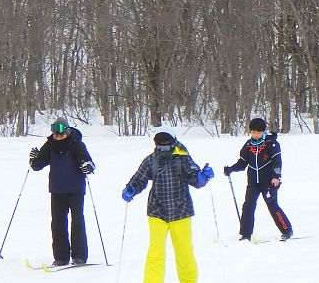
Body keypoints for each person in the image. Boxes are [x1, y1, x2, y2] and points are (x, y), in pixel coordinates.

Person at [122, 126, 213, 283]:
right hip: (157, 211)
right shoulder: (151, 160)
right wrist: (131, 189)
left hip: (181, 211)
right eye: (159, 145)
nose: (162, 148)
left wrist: (203, 177)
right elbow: (139, 179)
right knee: (155, 253)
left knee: (184, 251)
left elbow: (195, 179)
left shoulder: (183, 158)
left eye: (166, 144)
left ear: (173, 143)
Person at [29, 116, 96, 267]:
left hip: (75, 189)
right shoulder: (50, 145)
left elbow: (88, 162)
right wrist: (34, 159)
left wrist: (87, 166)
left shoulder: (76, 144)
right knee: (58, 223)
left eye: (61, 135)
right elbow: (38, 165)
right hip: (57, 189)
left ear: (67, 132)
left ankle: (79, 256)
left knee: (77, 221)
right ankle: (61, 257)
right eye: (55, 134)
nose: (58, 138)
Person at [223, 117, 293, 241]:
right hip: (253, 182)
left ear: (263, 131)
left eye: (258, 132)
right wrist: (231, 169)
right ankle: (246, 234)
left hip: (269, 182)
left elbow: (277, 162)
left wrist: (276, 177)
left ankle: (287, 230)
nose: (255, 135)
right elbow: (242, 162)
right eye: (253, 132)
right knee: (248, 205)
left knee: (272, 205)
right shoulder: (248, 145)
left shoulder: (271, 143)